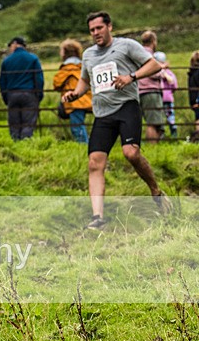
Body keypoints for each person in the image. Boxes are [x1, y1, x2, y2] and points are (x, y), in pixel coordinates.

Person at [62, 12, 172, 230]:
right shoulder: (88, 55)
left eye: (99, 28)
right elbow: (85, 80)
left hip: (126, 107)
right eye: (92, 30)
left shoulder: (126, 46)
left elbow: (154, 65)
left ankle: (155, 191)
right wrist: (75, 94)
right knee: (94, 162)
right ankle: (97, 217)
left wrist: (130, 77)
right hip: (102, 114)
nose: (95, 33)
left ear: (109, 27)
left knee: (131, 153)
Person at [0, 36, 44, 141]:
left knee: (14, 123)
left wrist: (6, 97)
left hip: (12, 95)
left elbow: (2, 82)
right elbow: (38, 78)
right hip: (29, 94)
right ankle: (26, 143)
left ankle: (16, 144)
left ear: (14, 44)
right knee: (28, 123)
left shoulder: (6, 61)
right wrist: (39, 95)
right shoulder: (33, 59)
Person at [52, 39, 93, 144]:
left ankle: (84, 147)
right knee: (80, 125)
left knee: (77, 128)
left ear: (65, 52)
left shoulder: (68, 67)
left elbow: (56, 83)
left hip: (74, 102)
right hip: (86, 100)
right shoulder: (82, 66)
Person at [137, 31, 165, 142]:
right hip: (150, 91)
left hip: (139, 90)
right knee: (153, 122)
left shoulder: (137, 53)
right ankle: (152, 146)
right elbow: (153, 72)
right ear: (153, 41)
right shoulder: (149, 56)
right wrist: (162, 71)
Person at [154, 51, 179, 138]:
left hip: (165, 99)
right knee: (161, 118)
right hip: (160, 98)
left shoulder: (168, 73)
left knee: (169, 117)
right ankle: (162, 135)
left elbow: (174, 84)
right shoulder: (156, 73)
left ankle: (173, 135)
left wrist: (165, 74)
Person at [189, 51, 199, 142]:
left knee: (198, 118)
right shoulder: (197, 73)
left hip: (194, 99)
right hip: (197, 99)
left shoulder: (192, 72)